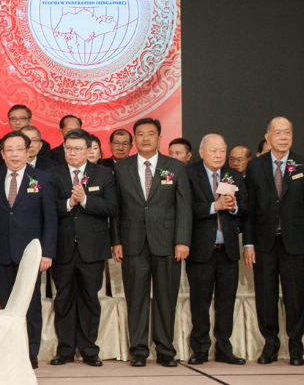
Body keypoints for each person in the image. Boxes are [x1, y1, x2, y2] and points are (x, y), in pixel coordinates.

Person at [110, 118, 191, 366]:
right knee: (136, 298)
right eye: (141, 134)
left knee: (166, 297)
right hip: (132, 241)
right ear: (134, 139)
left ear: (159, 138)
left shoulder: (175, 167)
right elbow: (117, 208)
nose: (146, 138)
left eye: (151, 134)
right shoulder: (122, 168)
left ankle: (166, 350)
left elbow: (184, 207)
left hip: (167, 242)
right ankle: (139, 351)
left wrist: (182, 240)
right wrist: (116, 240)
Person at [244, 117, 304, 366]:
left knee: (295, 297)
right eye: (278, 133)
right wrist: (249, 243)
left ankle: (296, 347)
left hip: (295, 243)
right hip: (265, 243)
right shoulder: (256, 166)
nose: (283, 136)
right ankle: (271, 345)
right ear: (268, 137)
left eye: (288, 132)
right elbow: (250, 209)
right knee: (266, 297)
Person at [48, 128, 117, 367]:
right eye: (68, 148)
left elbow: (112, 207)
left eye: (78, 149)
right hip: (62, 247)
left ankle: (89, 350)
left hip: (93, 248)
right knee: (63, 299)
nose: (72, 153)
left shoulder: (104, 174)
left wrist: (86, 200)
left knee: (90, 299)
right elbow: (46, 209)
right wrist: (69, 202)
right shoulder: (52, 175)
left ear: (89, 150)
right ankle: (65, 350)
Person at [0, 131, 57, 368]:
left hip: (31, 254)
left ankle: (31, 351)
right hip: (3, 252)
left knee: (31, 303)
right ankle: (11, 349)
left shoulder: (42, 179)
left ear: (29, 152)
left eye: (20, 149)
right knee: (7, 303)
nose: (15, 154)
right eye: (10, 149)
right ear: (3, 153)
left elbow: (50, 219)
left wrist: (47, 252)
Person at [184, 133, 247, 365]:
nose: (219, 155)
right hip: (201, 250)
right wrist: (214, 206)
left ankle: (224, 348)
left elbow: (247, 208)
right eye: (214, 150)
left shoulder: (235, 175)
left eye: (222, 150)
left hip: (227, 250)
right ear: (202, 152)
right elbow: (186, 208)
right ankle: (199, 349)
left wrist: (233, 208)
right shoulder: (189, 174)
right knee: (200, 302)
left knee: (226, 302)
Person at [0, 105, 52, 171]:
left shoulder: (42, 145)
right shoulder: (2, 142)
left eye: (22, 119)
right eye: (13, 119)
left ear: (30, 121)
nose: (17, 122)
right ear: (9, 122)